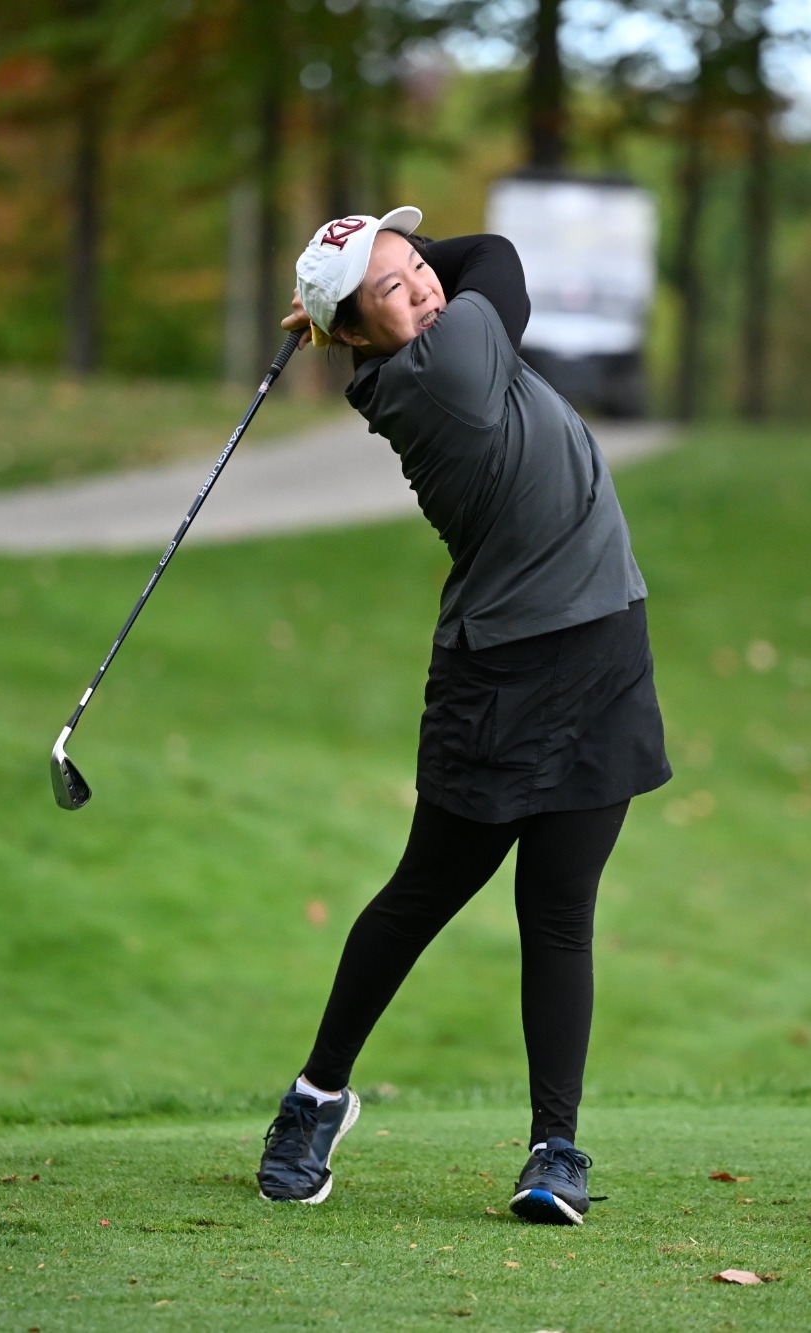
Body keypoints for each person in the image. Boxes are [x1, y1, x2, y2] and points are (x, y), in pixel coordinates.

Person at [253, 206, 670, 1226]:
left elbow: (462, 272)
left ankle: (553, 1149)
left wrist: (373, 268)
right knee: (418, 898)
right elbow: (500, 259)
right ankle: (314, 1098)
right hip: (499, 680)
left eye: (415, 270)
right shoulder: (446, 368)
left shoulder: (434, 344)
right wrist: (403, 266)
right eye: (394, 290)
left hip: (600, 648)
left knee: (559, 911)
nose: (426, 288)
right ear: (354, 336)